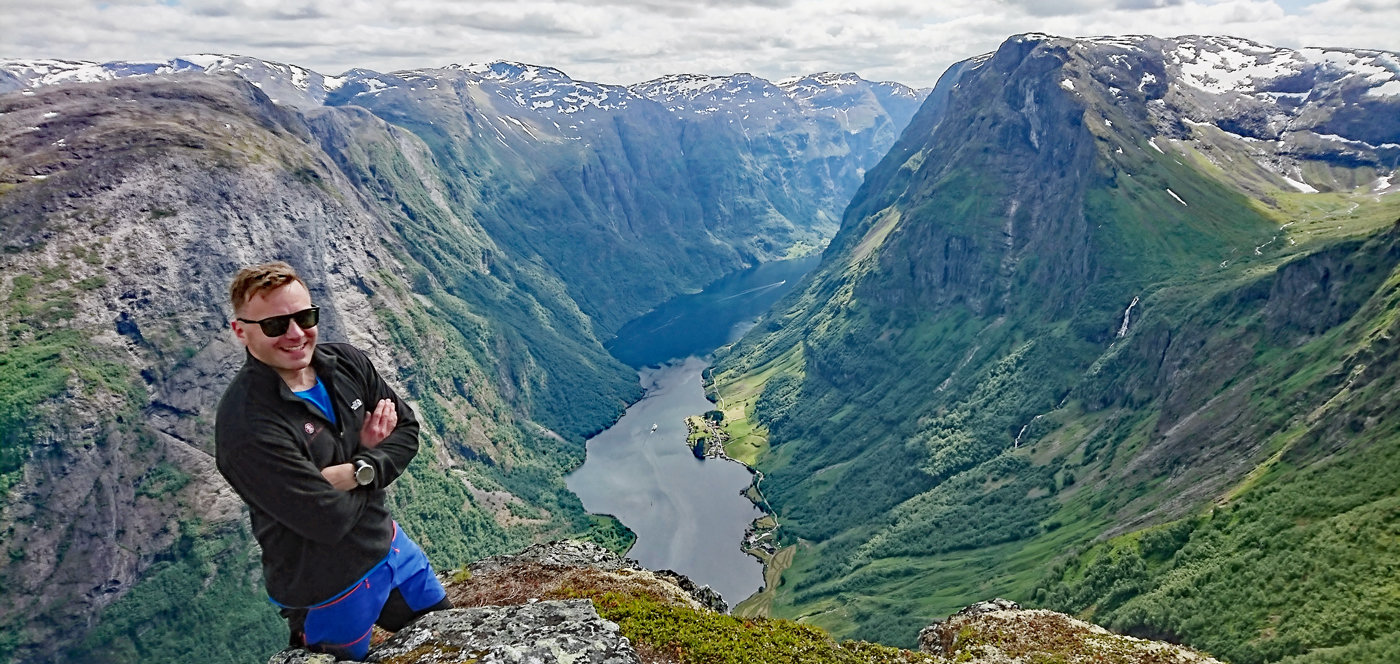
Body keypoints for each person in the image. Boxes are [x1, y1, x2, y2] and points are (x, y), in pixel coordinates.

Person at [215, 261, 452, 660]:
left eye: (305, 317)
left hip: (393, 553)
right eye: (275, 325)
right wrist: (371, 453)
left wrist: (360, 469)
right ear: (241, 331)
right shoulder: (247, 427)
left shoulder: (346, 364)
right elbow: (327, 521)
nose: (295, 334)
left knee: (449, 642)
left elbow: (408, 431)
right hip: (326, 590)